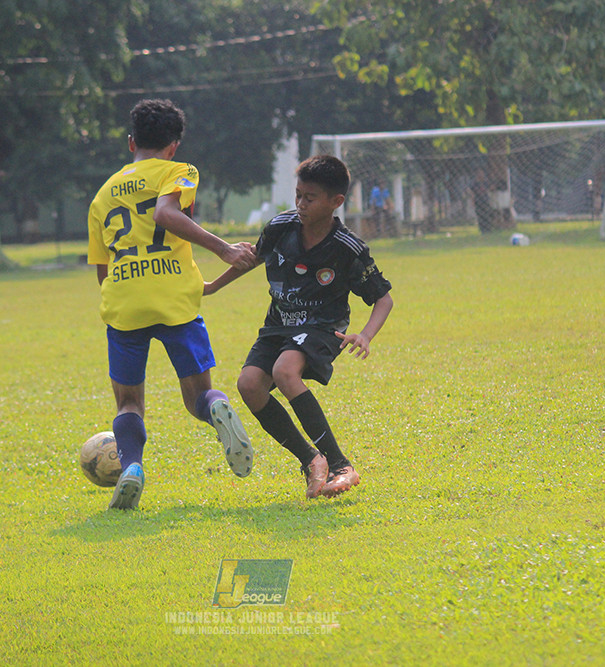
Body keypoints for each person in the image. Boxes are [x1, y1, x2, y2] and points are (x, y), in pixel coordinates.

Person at [87, 98, 258, 510]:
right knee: (198, 396)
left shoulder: (103, 194)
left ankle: (131, 466)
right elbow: (166, 214)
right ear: (174, 146)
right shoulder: (179, 172)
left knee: (129, 403)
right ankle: (217, 408)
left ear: (131, 143)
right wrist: (224, 249)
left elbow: (101, 270)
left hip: (124, 303)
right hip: (176, 300)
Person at [204, 155, 393, 500]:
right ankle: (311, 460)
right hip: (278, 325)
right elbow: (253, 257)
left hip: (323, 325)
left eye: (310, 198)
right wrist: (212, 286)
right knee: (249, 384)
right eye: (298, 195)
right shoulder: (280, 227)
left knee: (285, 371)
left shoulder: (347, 248)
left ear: (336, 202)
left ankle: (341, 464)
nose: (301, 204)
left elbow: (384, 299)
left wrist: (365, 335)